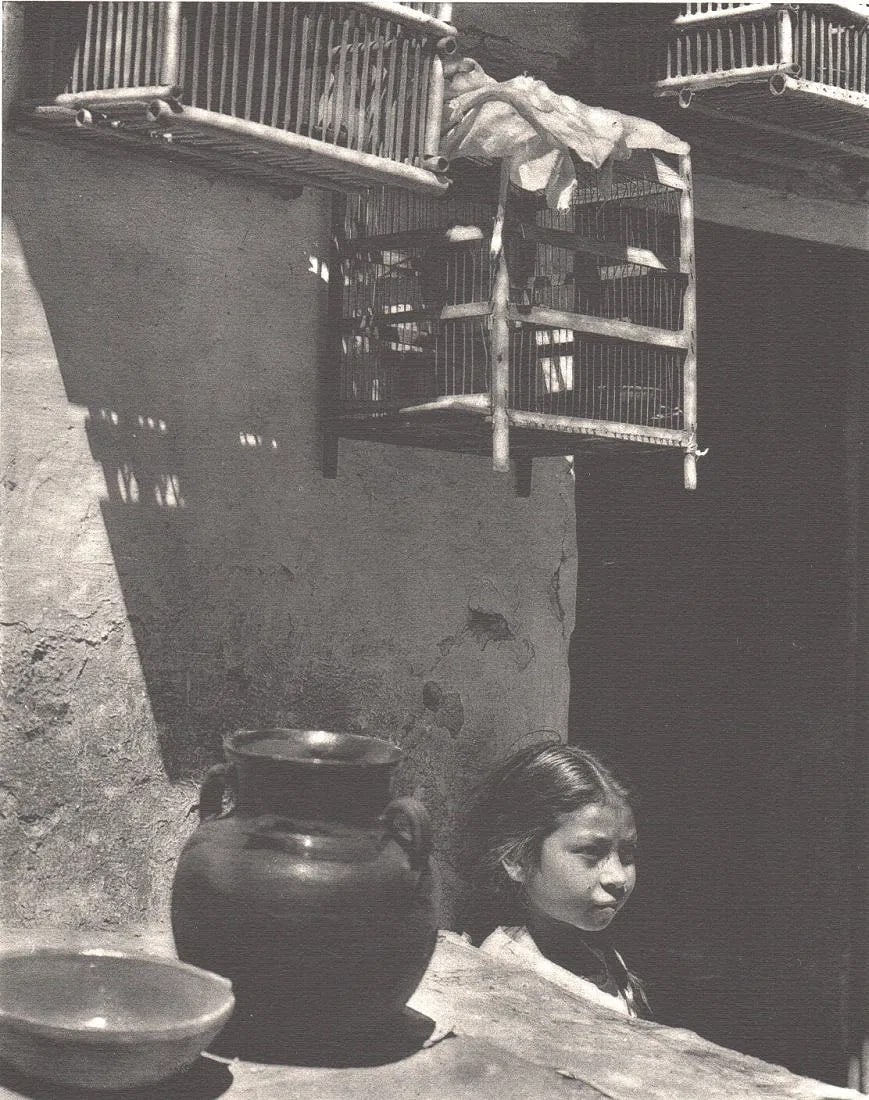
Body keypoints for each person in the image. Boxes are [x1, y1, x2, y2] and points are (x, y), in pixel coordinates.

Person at [460, 738, 649, 1018]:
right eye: (591, 851)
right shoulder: (507, 975)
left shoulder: (596, 951)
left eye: (627, 853)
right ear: (517, 859)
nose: (618, 876)